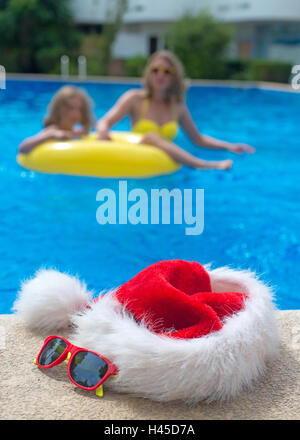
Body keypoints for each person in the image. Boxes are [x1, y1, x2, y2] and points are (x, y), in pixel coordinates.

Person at [96, 50, 255, 170]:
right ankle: (204, 165)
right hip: (137, 159)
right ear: (149, 74)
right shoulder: (134, 99)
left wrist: (229, 146)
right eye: (155, 70)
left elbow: (198, 139)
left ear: (174, 77)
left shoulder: (177, 106)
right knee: (152, 136)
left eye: (167, 71)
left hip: (162, 167)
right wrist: (103, 132)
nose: (160, 75)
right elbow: (105, 121)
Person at [18, 85, 94, 154]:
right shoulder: (53, 130)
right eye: (70, 108)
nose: (75, 113)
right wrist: (52, 135)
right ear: (59, 110)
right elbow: (22, 148)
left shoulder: (77, 132)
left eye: (80, 109)